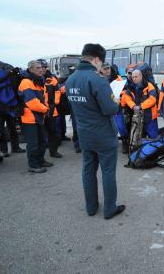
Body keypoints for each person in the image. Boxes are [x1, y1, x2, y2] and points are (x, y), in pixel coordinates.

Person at [65, 43, 125, 219]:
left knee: (88, 170)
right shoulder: (97, 79)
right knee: (108, 171)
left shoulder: (71, 79)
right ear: (97, 59)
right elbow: (110, 109)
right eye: (101, 62)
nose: (102, 66)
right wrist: (117, 101)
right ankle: (109, 209)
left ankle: (91, 207)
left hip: (84, 132)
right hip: (103, 134)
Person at [18, 60, 52, 173]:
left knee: (42, 141)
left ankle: (40, 160)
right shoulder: (26, 82)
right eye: (37, 68)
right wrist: (46, 109)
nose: (40, 69)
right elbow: (32, 102)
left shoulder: (37, 81)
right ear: (30, 69)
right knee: (33, 143)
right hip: (29, 119)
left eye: (41, 67)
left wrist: (45, 108)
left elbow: (42, 99)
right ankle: (33, 165)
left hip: (38, 117)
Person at [122, 69, 159, 139]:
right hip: (137, 116)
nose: (134, 79)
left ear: (141, 76)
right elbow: (126, 98)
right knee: (140, 137)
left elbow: (153, 99)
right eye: (133, 77)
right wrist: (133, 106)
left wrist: (140, 107)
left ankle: (156, 148)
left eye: (136, 77)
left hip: (149, 116)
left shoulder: (149, 85)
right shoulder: (130, 87)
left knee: (154, 136)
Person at [38, 59, 63, 159]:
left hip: (51, 110)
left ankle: (54, 151)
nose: (43, 69)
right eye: (41, 67)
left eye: (44, 67)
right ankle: (41, 155)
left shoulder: (52, 79)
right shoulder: (33, 79)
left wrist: (55, 102)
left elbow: (57, 91)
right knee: (41, 134)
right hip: (39, 111)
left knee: (53, 132)